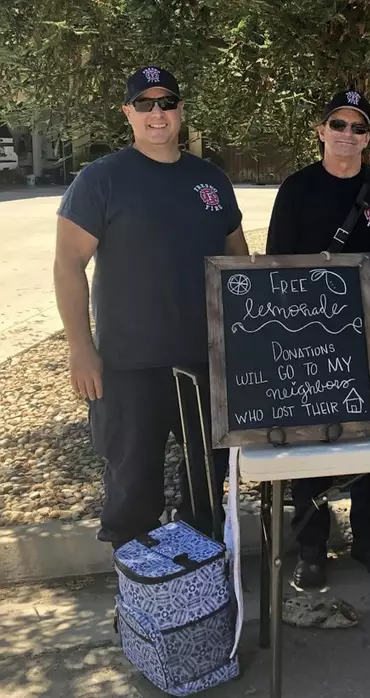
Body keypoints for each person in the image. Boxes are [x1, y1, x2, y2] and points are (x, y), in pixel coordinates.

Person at [54, 66, 249, 548]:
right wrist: (80, 348)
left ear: (181, 110)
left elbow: (237, 264)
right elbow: (68, 265)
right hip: (128, 364)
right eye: (144, 103)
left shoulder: (211, 180)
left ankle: (200, 580)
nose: (156, 113)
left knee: (206, 486)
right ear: (128, 112)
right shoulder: (101, 179)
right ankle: (137, 586)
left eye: (166, 103)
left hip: (203, 362)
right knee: (132, 488)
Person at [266, 89, 370, 588]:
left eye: (358, 127)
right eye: (339, 124)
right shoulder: (297, 187)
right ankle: (311, 545)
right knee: (310, 440)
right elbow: (277, 263)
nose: (348, 134)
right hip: (308, 335)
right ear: (321, 131)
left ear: (368, 137)